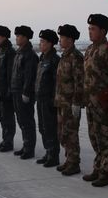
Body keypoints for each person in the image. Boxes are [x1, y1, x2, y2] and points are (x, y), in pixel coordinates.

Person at [82, 14, 108, 187]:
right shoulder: (90, 50)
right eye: (89, 29)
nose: (90, 32)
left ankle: (107, 171)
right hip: (91, 103)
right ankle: (98, 167)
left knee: (107, 139)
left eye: (93, 29)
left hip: (104, 104)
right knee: (95, 136)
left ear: (103, 31)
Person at [54, 24, 84, 176]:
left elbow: (79, 82)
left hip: (71, 103)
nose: (60, 41)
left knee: (71, 133)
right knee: (63, 133)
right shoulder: (65, 56)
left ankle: (74, 162)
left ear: (70, 39)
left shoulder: (76, 57)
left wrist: (77, 102)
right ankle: (68, 159)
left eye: (63, 38)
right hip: (61, 102)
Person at [10, 25, 39, 159]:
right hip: (16, 91)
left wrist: (26, 92)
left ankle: (29, 148)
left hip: (24, 93)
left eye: (19, 36)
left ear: (26, 38)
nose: (17, 38)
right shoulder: (19, 53)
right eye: (16, 36)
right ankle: (25, 145)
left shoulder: (30, 55)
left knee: (27, 121)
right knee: (21, 120)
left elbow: (29, 76)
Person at [35, 29, 61, 167]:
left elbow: (56, 82)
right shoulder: (42, 58)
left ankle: (53, 155)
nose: (40, 44)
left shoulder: (54, 60)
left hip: (48, 100)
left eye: (43, 41)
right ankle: (47, 151)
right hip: (40, 99)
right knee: (42, 127)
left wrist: (53, 100)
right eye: (40, 41)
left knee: (50, 127)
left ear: (50, 44)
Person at [0, 26, 17, 152]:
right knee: (2, 117)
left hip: (6, 91)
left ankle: (9, 142)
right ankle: (4, 139)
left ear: (5, 37)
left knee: (8, 117)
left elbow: (10, 74)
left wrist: (8, 91)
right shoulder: (0, 51)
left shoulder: (10, 52)